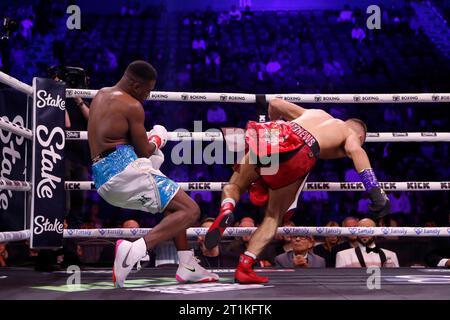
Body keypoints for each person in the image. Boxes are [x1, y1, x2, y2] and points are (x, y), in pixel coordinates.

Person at [205, 98, 390, 283]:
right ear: (360, 137)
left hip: (275, 134)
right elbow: (357, 152)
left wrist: (275, 123)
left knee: (235, 184)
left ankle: (227, 209)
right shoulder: (348, 134)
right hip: (302, 151)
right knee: (273, 216)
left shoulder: (315, 113)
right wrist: (376, 192)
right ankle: (245, 266)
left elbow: (275, 103)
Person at [88, 60, 218, 287]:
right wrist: (158, 137)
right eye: (147, 90)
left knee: (174, 206)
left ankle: (187, 265)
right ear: (136, 85)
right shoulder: (131, 105)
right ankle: (135, 250)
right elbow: (145, 151)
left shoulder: (101, 95)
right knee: (191, 210)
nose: (148, 96)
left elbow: (117, 138)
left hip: (102, 177)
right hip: (124, 171)